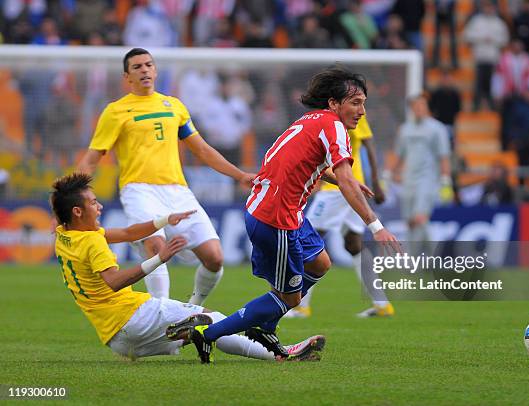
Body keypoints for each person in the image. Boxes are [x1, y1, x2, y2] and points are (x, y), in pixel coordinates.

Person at [187, 67, 400, 363]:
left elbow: (309, 163)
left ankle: (267, 325)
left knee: (320, 262)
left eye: (364, 103)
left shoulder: (310, 120)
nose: (362, 110)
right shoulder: (334, 127)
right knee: (290, 298)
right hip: (277, 218)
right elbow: (345, 177)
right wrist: (376, 226)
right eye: (355, 103)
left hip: (280, 210)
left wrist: (341, 180)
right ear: (334, 104)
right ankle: (207, 334)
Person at [50, 173, 325, 362]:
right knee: (215, 320)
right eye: (93, 202)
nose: (98, 207)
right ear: (77, 211)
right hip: (134, 318)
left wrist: (164, 220)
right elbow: (114, 282)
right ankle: (280, 353)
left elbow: (129, 232)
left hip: (116, 340)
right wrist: (159, 258)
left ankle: (188, 332)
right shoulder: (92, 243)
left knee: (197, 329)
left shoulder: (64, 237)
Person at [77, 48, 255, 304]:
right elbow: (92, 159)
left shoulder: (174, 106)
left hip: (177, 191)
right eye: (137, 67)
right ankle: (162, 320)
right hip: (139, 190)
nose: (144, 70)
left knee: (215, 258)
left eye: (148, 65)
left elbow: (202, 149)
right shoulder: (115, 112)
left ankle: (189, 312)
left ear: (156, 70)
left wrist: (238, 175)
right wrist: (74, 198)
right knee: (157, 250)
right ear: (127, 77)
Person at [286, 113, 394, 318]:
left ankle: (300, 306)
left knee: (305, 240)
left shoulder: (350, 114)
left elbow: (369, 145)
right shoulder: (334, 116)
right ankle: (381, 304)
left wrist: (377, 182)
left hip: (339, 189)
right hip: (352, 187)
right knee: (353, 244)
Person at [393, 94, 452, 254]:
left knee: (420, 217)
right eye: (415, 106)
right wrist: (389, 174)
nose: (419, 109)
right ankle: (419, 259)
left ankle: (434, 257)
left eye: (422, 105)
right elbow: (400, 155)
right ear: (412, 108)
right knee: (410, 222)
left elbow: (444, 156)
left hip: (428, 180)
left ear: (427, 107)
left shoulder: (437, 128)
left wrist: (446, 181)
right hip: (409, 179)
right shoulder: (405, 129)